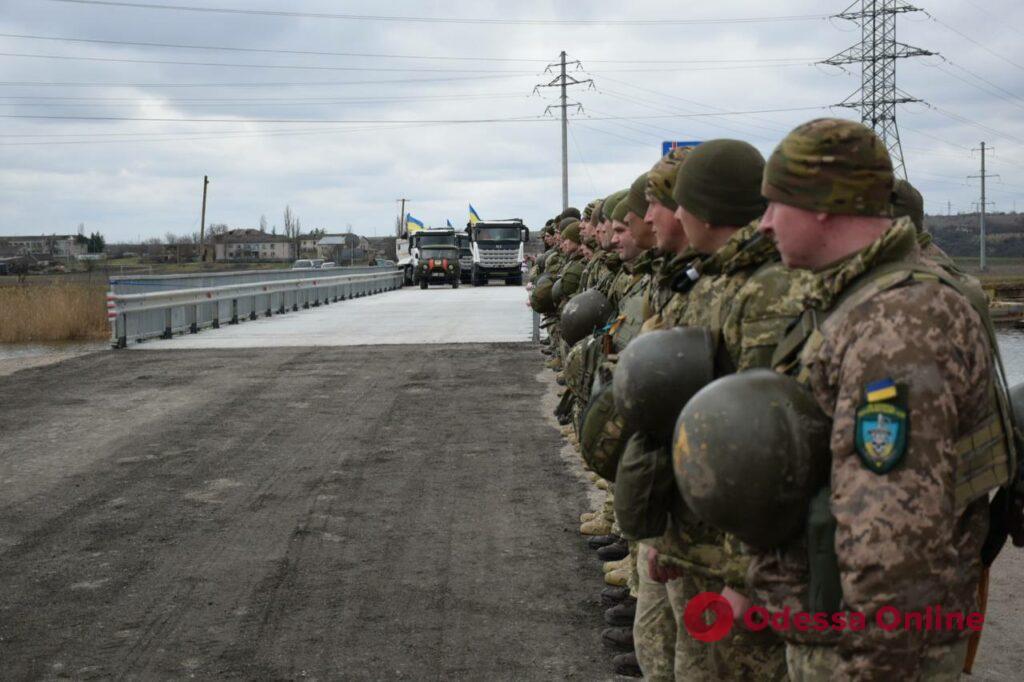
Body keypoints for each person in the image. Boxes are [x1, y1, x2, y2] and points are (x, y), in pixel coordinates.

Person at [750, 117, 1014, 680]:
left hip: (864, 649)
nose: (765, 224)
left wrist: (869, 664)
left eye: (776, 204)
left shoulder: (898, 323)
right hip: (835, 627)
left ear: (823, 204)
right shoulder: (856, 301)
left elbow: (891, 535)